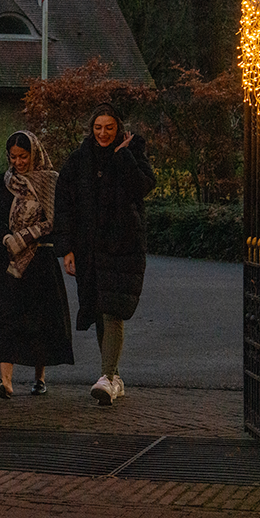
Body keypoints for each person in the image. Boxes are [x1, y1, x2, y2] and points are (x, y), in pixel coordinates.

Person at [54, 103, 155, 406]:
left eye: (109, 127)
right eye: (98, 127)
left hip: (122, 246)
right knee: (99, 309)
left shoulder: (132, 153)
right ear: (91, 128)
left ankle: (107, 377)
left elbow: (143, 186)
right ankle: (113, 377)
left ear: (118, 127)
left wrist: (123, 156)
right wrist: (66, 249)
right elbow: (64, 204)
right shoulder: (79, 159)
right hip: (88, 247)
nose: (103, 133)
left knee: (113, 310)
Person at [0, 131, 73, 398]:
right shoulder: (4, 181)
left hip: (39, 259)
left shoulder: (50, 181)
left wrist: (27, 236)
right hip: (8, 258)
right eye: (13, 157)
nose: (18, 162)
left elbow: (56, 220)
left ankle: (39, 377)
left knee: (39, 319)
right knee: (5, 316)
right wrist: (7, 238)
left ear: (34, 154)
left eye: (23, 156)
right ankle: (5, 381)